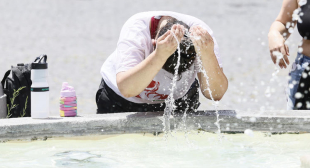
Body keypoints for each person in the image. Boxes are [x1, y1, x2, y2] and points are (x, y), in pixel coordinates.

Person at [96, 11, 228, 113]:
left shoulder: (201, 36)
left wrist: (207, 55)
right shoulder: (136, 30)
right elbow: (126, 89)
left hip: (178, 97)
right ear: (154, 42)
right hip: (122, 99)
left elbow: (216, 94)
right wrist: (159, 56)